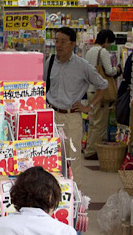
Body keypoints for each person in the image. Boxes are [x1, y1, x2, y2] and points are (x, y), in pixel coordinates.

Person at [44, 27, 109, 173]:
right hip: (51, 115)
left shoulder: (82, 66)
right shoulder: (51, 61)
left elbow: (103, 85)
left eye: (63, 42)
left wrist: (89, 106)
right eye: (56, 41)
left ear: (73, 44)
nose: (58, 45)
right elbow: (43, 84)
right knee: (50, 157)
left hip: (71, 118)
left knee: (72, 159)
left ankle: (74, 193)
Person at [82, 29, 120, 160]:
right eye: (109, 42)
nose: (109, 45)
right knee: (100, 123)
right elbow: (109, 71)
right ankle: (93, 151)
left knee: (93, 122)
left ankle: (88, 147)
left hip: (90, 90)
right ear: (106, 40)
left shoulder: (90, 51)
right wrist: (117, 69)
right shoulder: (102, 51)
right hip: (100, 91)